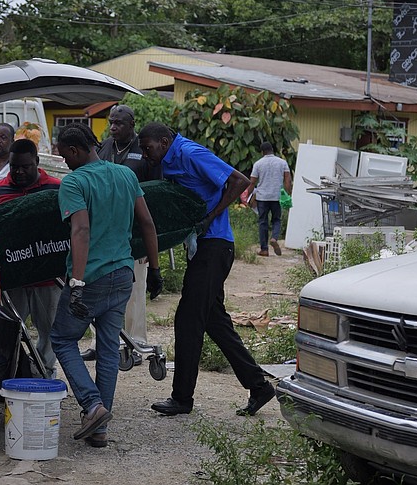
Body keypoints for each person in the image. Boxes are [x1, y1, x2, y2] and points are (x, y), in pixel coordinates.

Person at [138, 122, 275, 418]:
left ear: (164, 142)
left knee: (188, 318)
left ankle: (182, 398)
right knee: (214, 321)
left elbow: (239, 181)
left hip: (215, 247)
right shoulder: (169, 159)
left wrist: (209, 217)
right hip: (206, 247)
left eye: (148, 148)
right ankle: (259, 385)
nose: (146, 154)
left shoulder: (189, 152)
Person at [51, 123, 162, 448]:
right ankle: (99, 429)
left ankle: (93, 405)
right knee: (108, 349)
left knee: (62, 339)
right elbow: (147, 223)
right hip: (121, 276)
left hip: (92, 277)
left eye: (63, 155)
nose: (64, 162)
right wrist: (154, 269)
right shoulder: (125, 175)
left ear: (73, 151)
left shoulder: (74, 182)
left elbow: (81, 231)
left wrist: (77, 282)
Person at [80, 105, 162, 365]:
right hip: (104, 229)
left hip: (134, 232)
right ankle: (99, 343)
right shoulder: (104, 147)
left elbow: (155, 192)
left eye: (119, 123)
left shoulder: (144, 150)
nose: (113, 127)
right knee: (99, 286)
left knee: (134, 289)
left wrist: (151, 244)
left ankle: (135, 343)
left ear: (132, 124)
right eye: (111, 122)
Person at [0, 139, 62, 378]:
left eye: (25, 167)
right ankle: (9, 373)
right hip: (11, 280)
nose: (19, 172)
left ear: (36, 162)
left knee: (51, 330)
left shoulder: (57, 189)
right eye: (15, 166)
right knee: (7, 330)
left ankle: (44, 371)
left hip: (48, 278)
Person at [245, 142, 292, 257]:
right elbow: (288, 181)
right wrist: (288, 194)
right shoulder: (282, 163)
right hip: (277, 197)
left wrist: (247, 196)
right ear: (272, 150)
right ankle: (274, 238)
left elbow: (252, 182)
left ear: (262, 152)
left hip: (262, 197)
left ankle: (264, 249)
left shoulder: (258, 164)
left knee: (263, 222)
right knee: (276, 220)